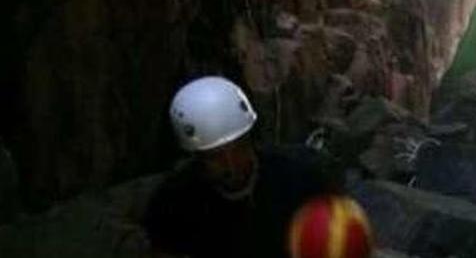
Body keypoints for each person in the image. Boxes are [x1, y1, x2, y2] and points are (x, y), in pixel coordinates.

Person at [143, 76, 341, 258]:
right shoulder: (174, 205)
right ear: (197, 156)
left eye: (239, 148)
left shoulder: (299, 181)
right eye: (215, 157)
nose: (231, 165)